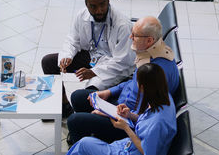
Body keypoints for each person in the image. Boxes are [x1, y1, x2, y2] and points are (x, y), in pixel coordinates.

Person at [66, 16, 180, 145]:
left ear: (149, 40)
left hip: (128, 123)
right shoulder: (149, 55)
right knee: (78, 97)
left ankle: (87, 139)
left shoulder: (158, 73)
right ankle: (90, 133)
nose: (130, 37)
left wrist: (110, 115)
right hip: (122, 105)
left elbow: (145, 118)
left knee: (74, 120)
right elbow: (132, 83)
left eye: (135, 35)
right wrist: (108, 92)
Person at [41, 0, 135, 117]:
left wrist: (93, 72)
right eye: (93, 6)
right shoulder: (82, 15)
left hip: (112, 66)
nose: (99, 10)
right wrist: (67, 56)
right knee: (49, 62)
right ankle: (64, 107)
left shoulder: (122, 24)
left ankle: (86, 123)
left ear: (108, 0)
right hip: (92, 56)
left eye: (103, 4)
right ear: (86, 4)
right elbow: (73, 39)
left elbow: (123, 62)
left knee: (87, 96)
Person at [67, 63, 177, 155]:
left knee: (84, 145)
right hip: (127, 145)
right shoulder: (163, 98)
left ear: (143, 87)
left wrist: (126, 128)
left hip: (129, 150)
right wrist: (130, 115)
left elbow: (147, 152)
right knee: (85, 143)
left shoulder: (157, 123)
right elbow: (146, 120)